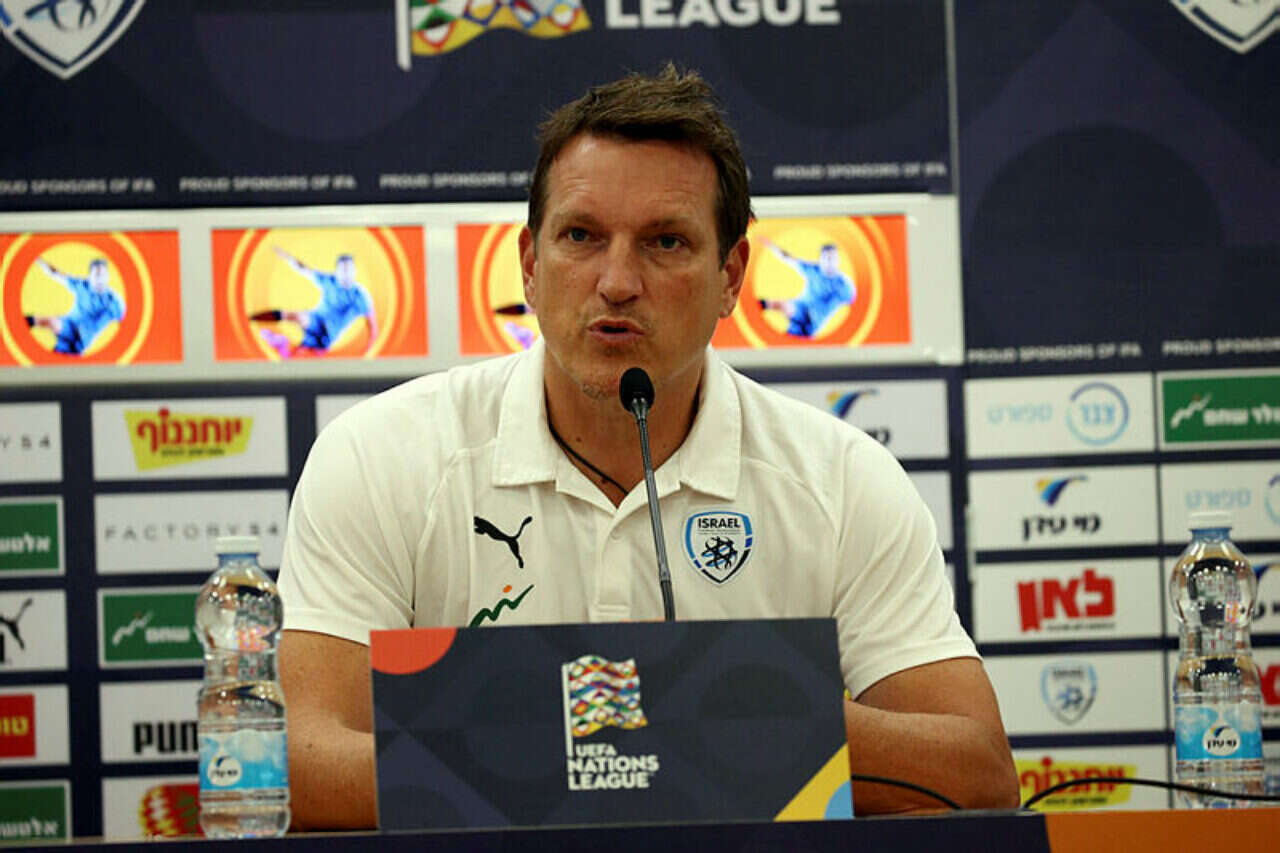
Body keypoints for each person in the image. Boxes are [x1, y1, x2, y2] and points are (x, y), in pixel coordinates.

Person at [277, 65, 1018, 830]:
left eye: (666, 241)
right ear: (529, 264)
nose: (617, 281)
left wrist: (746, 717)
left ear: (731, 276)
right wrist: (586, 742)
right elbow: (295, 763)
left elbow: (979, 774)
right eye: (581, 236)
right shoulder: (380, 457)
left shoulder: (842, 480)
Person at [249, 248, 377, 358]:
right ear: (337, 271)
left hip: (327, 335)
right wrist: (288, 257)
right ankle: (250, 319)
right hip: (315, 321)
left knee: (294, 359)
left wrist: (367, 353)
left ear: (354, 271)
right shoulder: (329, 281)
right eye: (343, 270)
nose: (346, 273)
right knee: (297, 316)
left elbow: (372, 326)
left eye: (349, 269)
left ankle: (283, 345)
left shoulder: (360, 296)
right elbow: (304, 269)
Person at [25, 257, 125, 356]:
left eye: (103, 275)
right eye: (97, 275)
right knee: (48, 322)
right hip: (67, 326)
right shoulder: (82, 285)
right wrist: (37, 259)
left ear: (107, 277)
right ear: (90, 277)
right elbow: (55, 273)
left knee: (52, 325)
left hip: (79, 339)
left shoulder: (113, 301)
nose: (100, 279)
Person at [757, 238, 856, 337]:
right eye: (826, 258)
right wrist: (772, 246)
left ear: (837, 261)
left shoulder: (843, 285)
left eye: (832, 259)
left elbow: (857, 303)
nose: (829, 262)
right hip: (798, 311)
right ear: (820, 259)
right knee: (776, 305)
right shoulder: (813, 270)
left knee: (784, 306)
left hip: (810, 320)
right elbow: (788, 258)